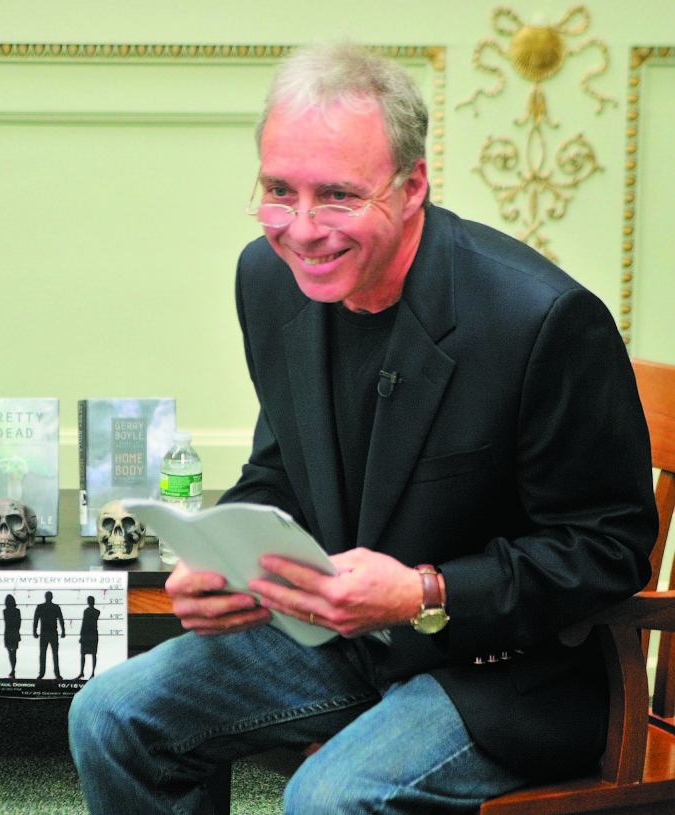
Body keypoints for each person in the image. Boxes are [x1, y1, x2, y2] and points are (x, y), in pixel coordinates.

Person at [69, 40, 659, 815]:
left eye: (338, 196)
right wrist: (229, 557)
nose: (302, 229)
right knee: (111, 714)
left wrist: (422, 591)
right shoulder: (267, 278)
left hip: (505, 668)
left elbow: (606, 550)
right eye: (279, 190)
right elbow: (282, 466)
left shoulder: (539, 320)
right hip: (338, 637)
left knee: (326, 799)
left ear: (411, 185)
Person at [33, 590, 66, 680]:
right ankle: (56, 673)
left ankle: (42, 673)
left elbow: (36, 619)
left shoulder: (40, 607)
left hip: (45, 632)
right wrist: (63, 631)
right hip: (52, 632)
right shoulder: (55, 607)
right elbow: (61, 619)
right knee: (54, 654)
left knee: (44, 654)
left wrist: (34, 631)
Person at [77, 596, 100, 679]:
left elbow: (84, 623)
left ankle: (85, 672)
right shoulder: (97, 611)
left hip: (88, 634)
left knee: (88, 654)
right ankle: (88, 673)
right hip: (93, 634)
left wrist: (81, 635)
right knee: (90, 654)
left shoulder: (87, 611)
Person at [3, 594, 22, 679]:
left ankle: (12, 669)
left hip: (8, 633)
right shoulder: (17, 611)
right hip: (14, 632)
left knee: (10, 652)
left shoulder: (5, 611)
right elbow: (19, 622)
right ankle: (13, 669)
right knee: (14, 652)